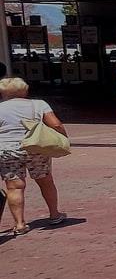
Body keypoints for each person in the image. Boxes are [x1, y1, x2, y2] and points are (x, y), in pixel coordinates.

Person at [0, 77, 67, 235]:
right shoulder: (39, 104)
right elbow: (56, 124)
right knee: (46, 182)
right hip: (35, 147)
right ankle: (54, 214)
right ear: (25, 90)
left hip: (7, 149)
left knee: (14, 186)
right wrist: (63, 138)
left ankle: (19, 224)